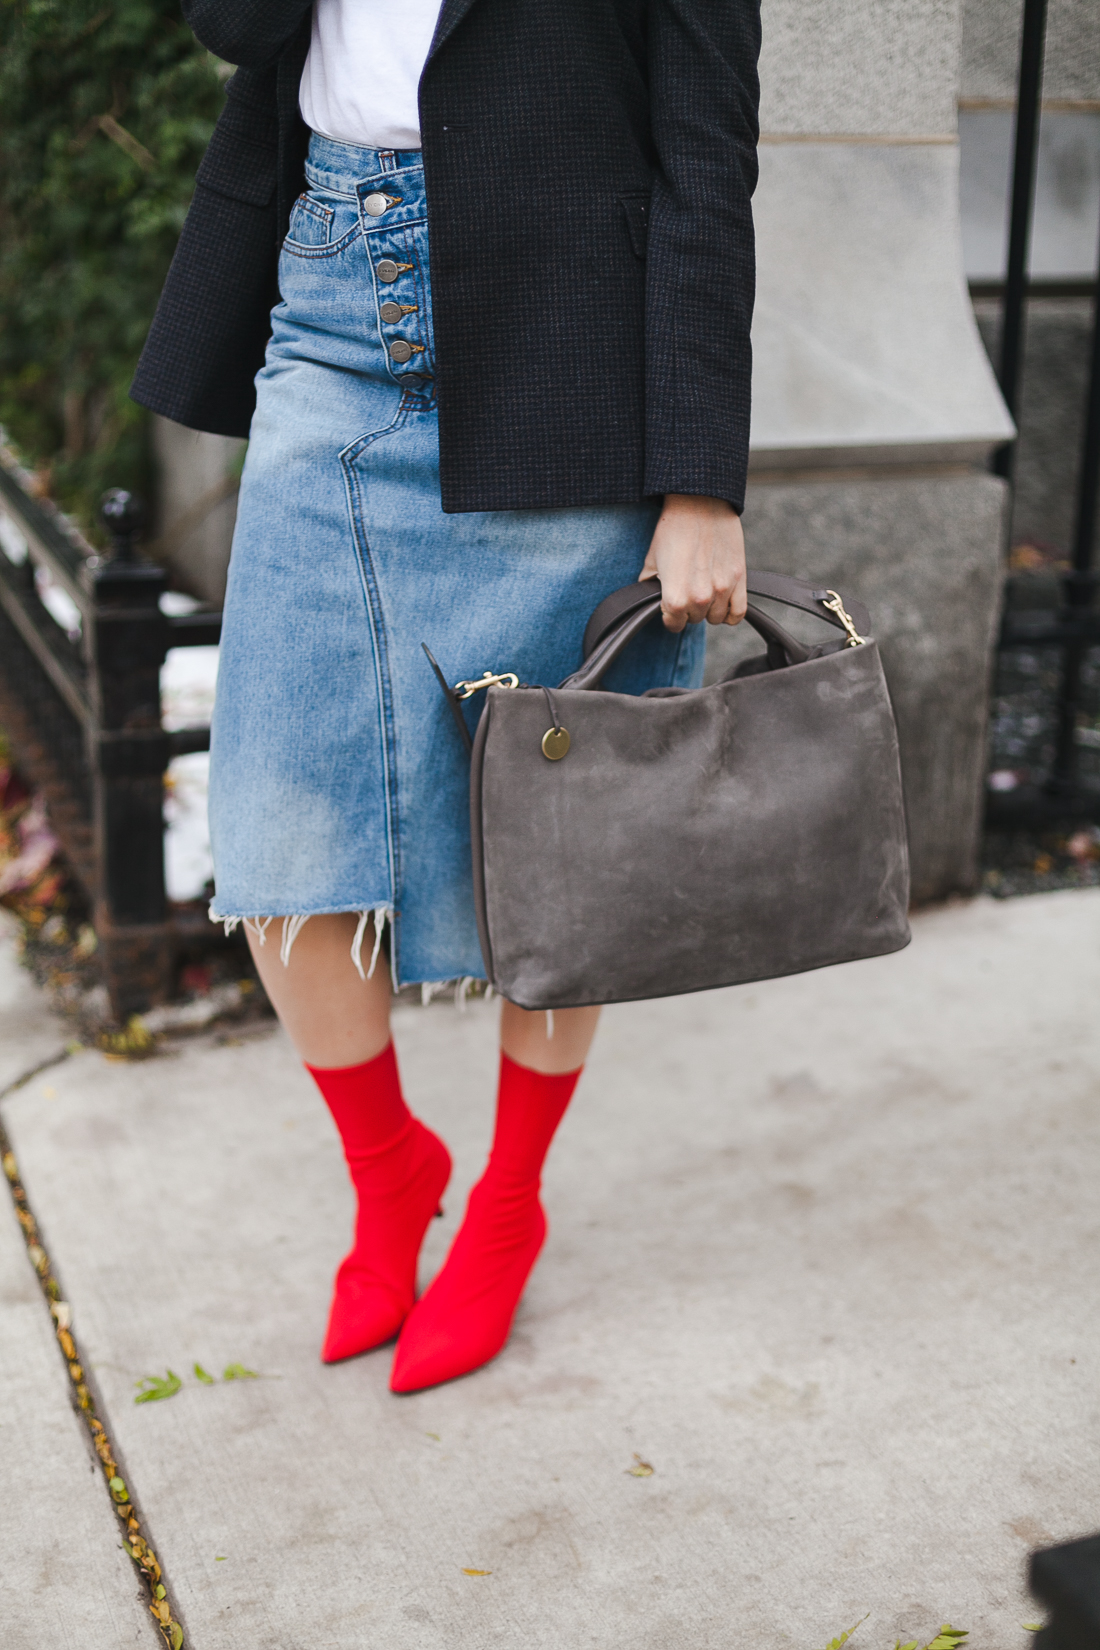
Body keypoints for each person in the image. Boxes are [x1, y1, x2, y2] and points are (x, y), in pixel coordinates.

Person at [132, 0, 760, 1393]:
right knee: (279, 804)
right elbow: (232, 27)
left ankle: (510, 1197)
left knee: (565, 838)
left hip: (571, 340)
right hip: (334, 298)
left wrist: (703, 478)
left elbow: (708, 151)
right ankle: (390, 1167)